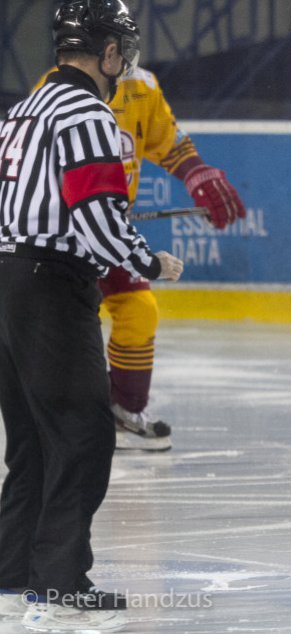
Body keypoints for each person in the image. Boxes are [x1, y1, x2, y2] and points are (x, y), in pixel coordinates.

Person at [0, 0, 184, 630]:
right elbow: (99, 220)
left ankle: (11, 569)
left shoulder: (23, 110)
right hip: (52, 286)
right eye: (122, 50)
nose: (124, 62)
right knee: (82, 431)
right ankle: (57, 580)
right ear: (107, 52)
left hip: (6, 284)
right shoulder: (89, 115)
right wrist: (150, 262)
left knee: (29, 437)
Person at [33, 25, 246, 452]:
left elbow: (167, 142)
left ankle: (124, 410)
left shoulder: (143, 88)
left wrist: (195, 172)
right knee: (64, 328)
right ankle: (53, 421)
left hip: (109, 231)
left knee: (139, 311)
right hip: (62, 238)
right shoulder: (55, 88)